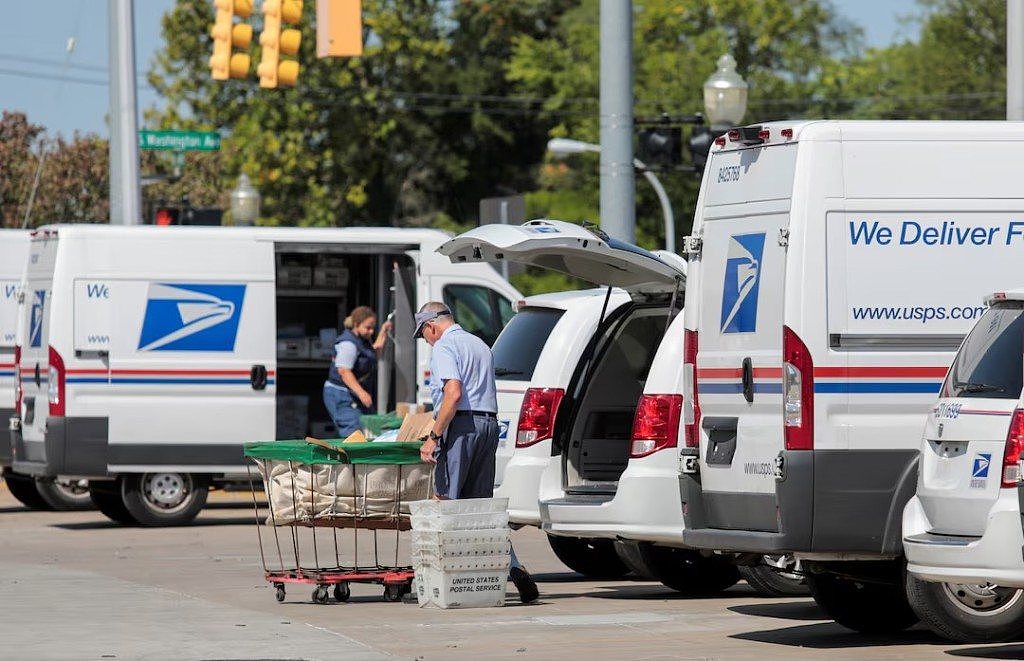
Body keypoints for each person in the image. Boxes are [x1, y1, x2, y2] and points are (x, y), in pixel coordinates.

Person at [414, 301, 539, 604]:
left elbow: (453, 393)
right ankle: (514, 567)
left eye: (424, 334)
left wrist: (433, 436)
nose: (427, 340)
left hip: (462, 426)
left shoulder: (445, 346)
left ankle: (431, 580)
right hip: (488, 425)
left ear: (432, 326)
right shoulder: (480, 344)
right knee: (479, 509)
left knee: (444, 501)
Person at [323, 306, 391, 438]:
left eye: (373, 328)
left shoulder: (362, 341)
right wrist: (362, 393)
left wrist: (383, 331)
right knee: (353, 432)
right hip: (341, 395)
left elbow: (374, 351)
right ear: (356, 324)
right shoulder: (348, 344)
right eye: (367, 328)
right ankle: (351, 458)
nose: (371, 331)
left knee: (368, 429)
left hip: (353, 395)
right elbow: (344, 371)